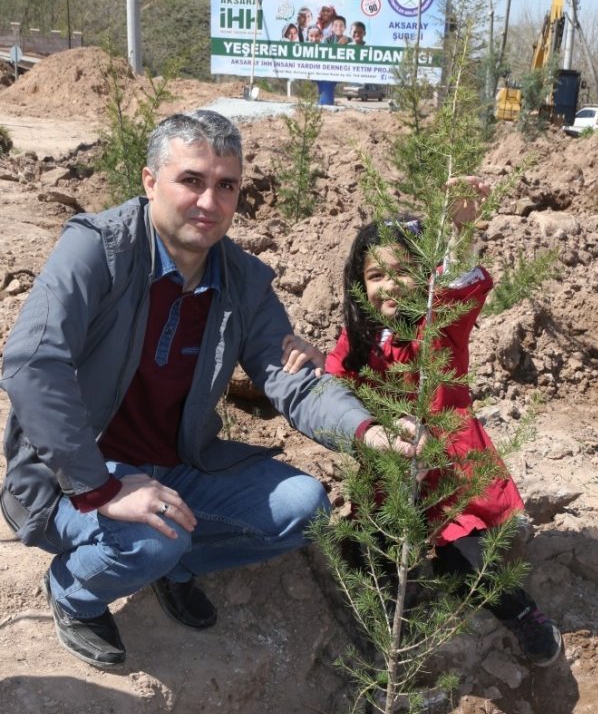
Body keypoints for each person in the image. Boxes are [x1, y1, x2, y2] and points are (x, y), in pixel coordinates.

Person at [0, 109, 424, 671]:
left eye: (225, 186)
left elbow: (291, 380)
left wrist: (368, 429)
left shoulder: (240, 280)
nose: (209, 202)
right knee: (156, 537)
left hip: (179, 465)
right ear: (151, 181)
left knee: (305, 507)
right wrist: (101, 488)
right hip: (72, 476)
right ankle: (73, 591)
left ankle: (174, 566)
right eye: (192, 180)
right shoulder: (98, 251)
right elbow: (33, 363)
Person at [306, 202, 562, 666]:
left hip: (449, 473)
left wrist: (460, 232)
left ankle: (521, 611)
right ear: (359, 286)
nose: (389, 285)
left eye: (403, 271)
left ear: (424, 274)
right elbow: (332, 393)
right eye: (375, 276)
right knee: (369, 552)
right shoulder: (358, 341)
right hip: (388, 476)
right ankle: (387, 637)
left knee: (458, 561)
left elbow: (455, 292)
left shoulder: (437, 327)